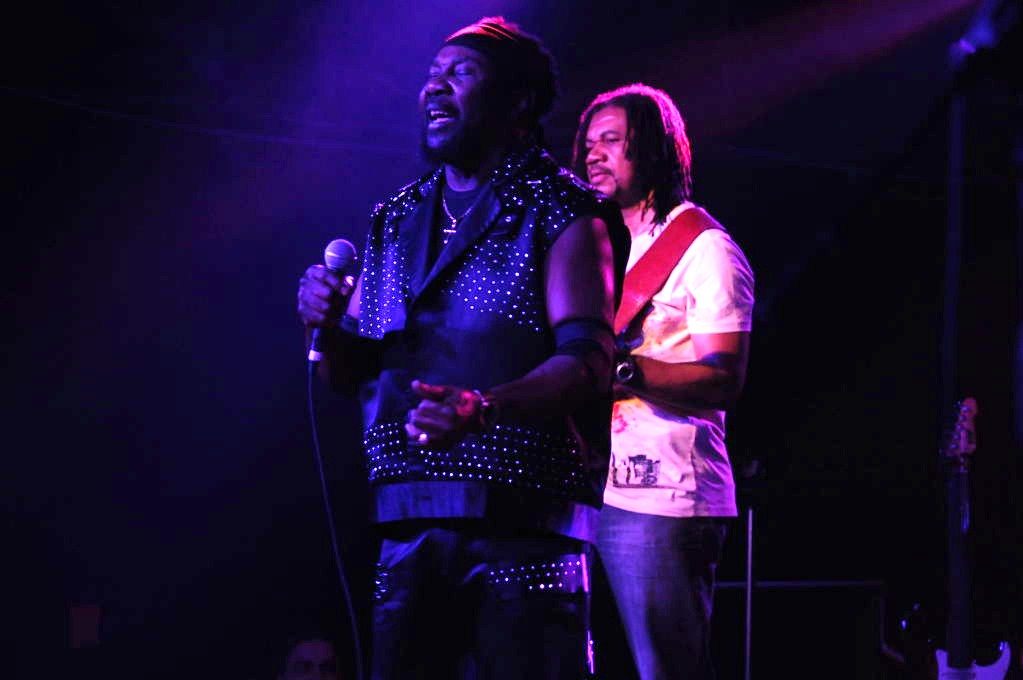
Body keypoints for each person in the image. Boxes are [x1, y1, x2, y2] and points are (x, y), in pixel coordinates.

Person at [296, 16, 629, 680]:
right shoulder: (396, 217)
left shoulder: (563, 210)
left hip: (523, 525)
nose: (435, 87)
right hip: (405, 518)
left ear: (517, 101)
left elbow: (590, 362)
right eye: (431, 75)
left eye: (461, 72)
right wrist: (327, 326)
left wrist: (484, 407)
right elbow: (354, 375)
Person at [572, 83, 754, 680]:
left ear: (652, 149)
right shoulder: (589, 244)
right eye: (589, 142)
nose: (594, 154)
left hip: (662, 499)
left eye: (612, 140)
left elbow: (723, 380)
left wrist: (622, 369)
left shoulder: (704, 249)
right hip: (581, 486)